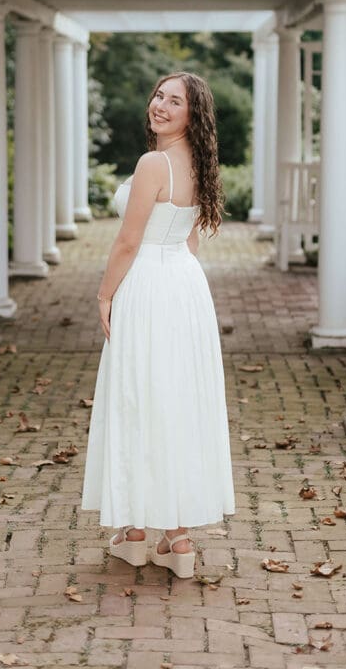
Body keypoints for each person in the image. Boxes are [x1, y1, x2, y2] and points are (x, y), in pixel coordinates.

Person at [81, 71, 235, 578]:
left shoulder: (154, 163)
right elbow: (189, 239)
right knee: (177, 401)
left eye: (175, 101)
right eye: (158, 96)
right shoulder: (201, 162)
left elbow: (127, 241)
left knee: (141, 399)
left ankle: (139, 531)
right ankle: (178, 539)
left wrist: (105, 294)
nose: (161, 106)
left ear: (193, 115)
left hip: (148, 283)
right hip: (184, 286)